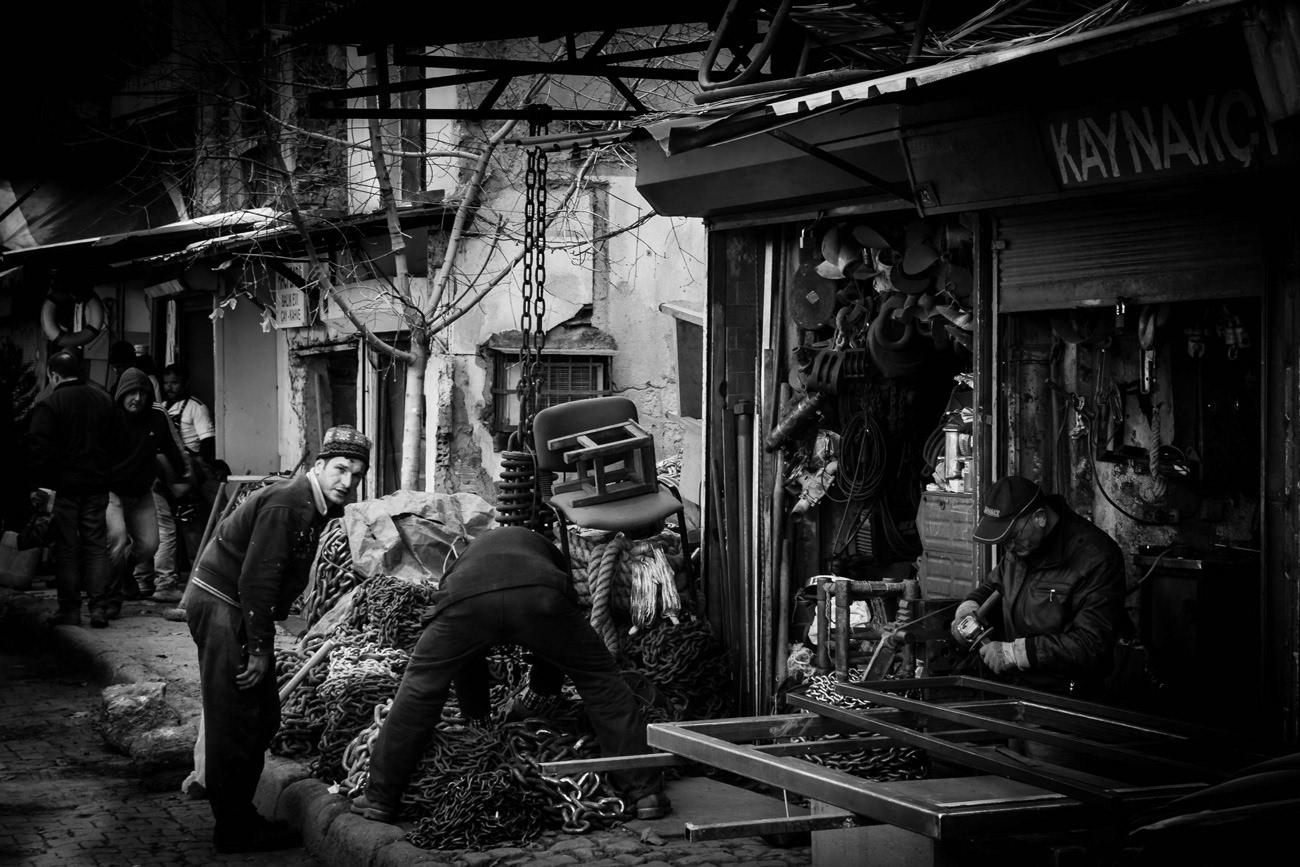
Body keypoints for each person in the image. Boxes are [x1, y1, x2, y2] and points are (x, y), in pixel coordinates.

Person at [350, 525, 671, 825]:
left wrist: (478, 717)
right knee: (601, 680)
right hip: (541, 595)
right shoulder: (548, 553)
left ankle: (380, 798)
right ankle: (646, 793)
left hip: (465, 602)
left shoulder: (464, 557)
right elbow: (556, 649)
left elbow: (466, 660)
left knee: (419, 688)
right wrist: (542, 694)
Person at [183, 425, 370, 854]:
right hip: (222, 607)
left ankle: (239, 814)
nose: (348, 482)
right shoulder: (291, 504)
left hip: (233, 607)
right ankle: (233, 829)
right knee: (237, 719)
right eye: (340, 469)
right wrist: (260, 650)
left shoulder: (312, 504)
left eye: (357, 475)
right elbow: (257, 581)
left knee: (261, 716)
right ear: (319, 466)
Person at [950, 475, 1129, 698]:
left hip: (1066, 697)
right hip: (1017, 687)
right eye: (1003, 540)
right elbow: (994, 586)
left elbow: (1092, 644)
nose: (1009, 547)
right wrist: (967, 610)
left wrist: (1014, 653)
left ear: (1040, 518)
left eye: (1012, 537)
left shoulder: (1096, 558)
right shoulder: (1021, 547)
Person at [27, 350, 124, 627]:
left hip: (64, 490)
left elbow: (38, 452)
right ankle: (99, 609)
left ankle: (69, 610)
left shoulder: (50, 405)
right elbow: (120, 443)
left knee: (67, 548)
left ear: (54, 375)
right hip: (97, 487)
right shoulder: (104, 400)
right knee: (96, 547)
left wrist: (39, 489)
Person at [105, 368, 191, 617]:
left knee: (149, 546)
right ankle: (112, 598)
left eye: (143, 393)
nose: (137, 399)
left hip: (142, 491)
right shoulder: (109, 415)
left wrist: (183, 475)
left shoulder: (157, 415)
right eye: (131, 393)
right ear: (121, 393)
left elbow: (173, 449)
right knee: (118, 540)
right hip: (112, 491)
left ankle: (124, 570)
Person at [150, 363, 219, 604]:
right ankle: (169, 580)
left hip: (192, 474)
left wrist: (194, 470)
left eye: (174, 383)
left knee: (194, 527)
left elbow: (207, 443)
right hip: (168, 475)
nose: (170, 387)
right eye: (166, 383)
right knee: (169, 528)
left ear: (185, 383)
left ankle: (200, 579)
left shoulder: (196, 408)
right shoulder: (163, 408)